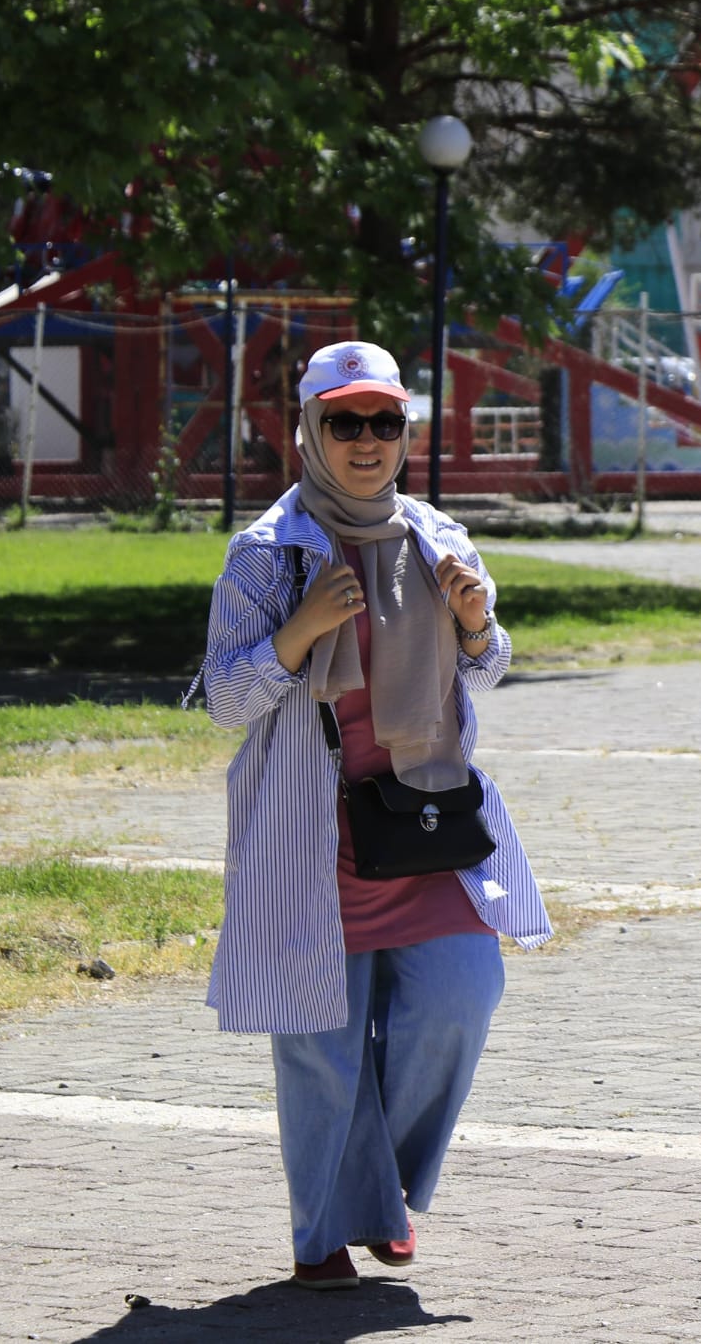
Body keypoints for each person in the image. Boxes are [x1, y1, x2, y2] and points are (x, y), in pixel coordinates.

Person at [191, 340, 551, 1290]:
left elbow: (485, 667)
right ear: (305, 431)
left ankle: (378, 1191)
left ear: (405, 433)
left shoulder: (440, 538)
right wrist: (300, 630)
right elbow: (225, 698)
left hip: (427, 822)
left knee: (461, 996)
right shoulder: (267, 551)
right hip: (314, 833)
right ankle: (324, 1233)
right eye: (343, 421)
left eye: (384, 421)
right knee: (320, 1048)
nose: (365, 440)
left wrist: (477, 623)